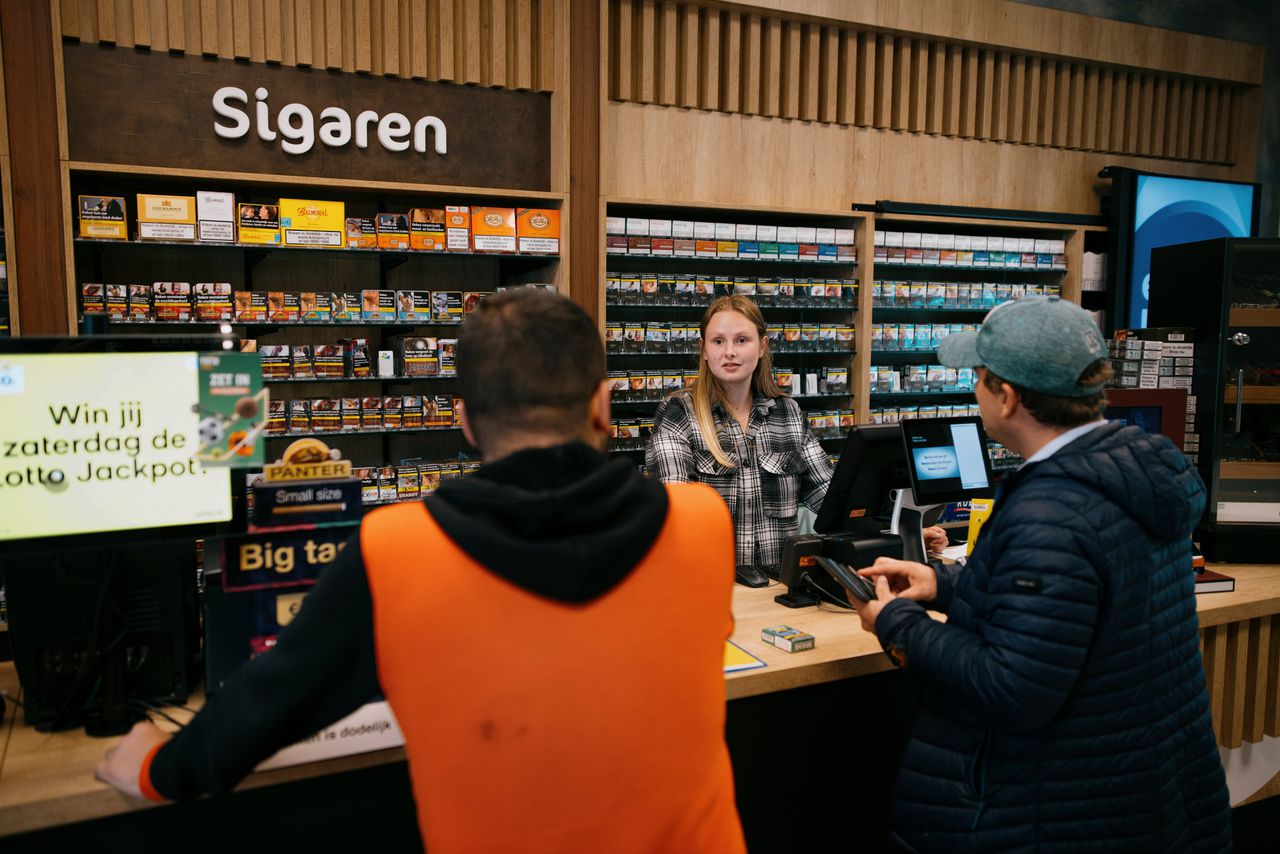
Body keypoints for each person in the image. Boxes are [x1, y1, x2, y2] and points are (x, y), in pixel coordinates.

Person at [96, 289, 747, 853]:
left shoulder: (396, 550)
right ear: (603, 406)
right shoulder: (701, 523)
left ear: (462, 419)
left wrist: (156, 766)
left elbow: (263, 705)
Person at [851, 296, 1230, 852]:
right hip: (1134, 793)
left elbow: (1013, 685)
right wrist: (949, 585)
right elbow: (1079, 612)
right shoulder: (1132, 474)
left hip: (1048, 812)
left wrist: (898, 623)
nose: (974, 392)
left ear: (1006, 397)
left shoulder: (1053, 508)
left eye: (978, 379)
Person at [646, 295, 834, 574]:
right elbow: (675, 512)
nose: (729, 351)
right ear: (704, 350)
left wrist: (893, 523)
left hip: (780, 585)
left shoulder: (788, 414)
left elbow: (829, 497)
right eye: (718, 341)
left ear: (762, 346)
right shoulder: (679, 414)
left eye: (742, 340)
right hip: (710, 585)